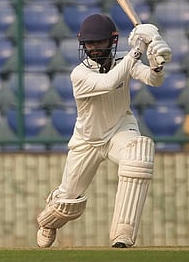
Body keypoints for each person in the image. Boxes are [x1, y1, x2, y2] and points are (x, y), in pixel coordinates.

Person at [36, 14, 173, 248]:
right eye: (90, 43)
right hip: (87, 140)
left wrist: (157, 66)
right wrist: (139, 47)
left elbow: (152, 80)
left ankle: (123, 234)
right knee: (67, 203)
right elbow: (109, 82)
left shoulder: (124, 63)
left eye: (99, 42)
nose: (94, 47)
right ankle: (47, 222)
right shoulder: (79, 74)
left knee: (139, 154)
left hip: (120, 129)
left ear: (112, 41)